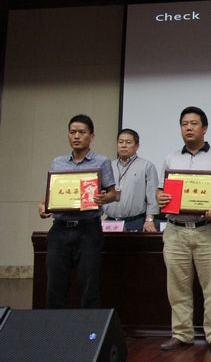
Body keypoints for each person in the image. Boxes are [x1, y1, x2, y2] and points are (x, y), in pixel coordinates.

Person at [157, 106, 211, 352]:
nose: (188, 128)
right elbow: (161, 190)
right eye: (184, 124)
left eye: (193, 123)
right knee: (177, 287)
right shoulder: (171, 159)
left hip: (207, 229)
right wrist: (160, 197)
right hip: (175, 231)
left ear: (205, 128)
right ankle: (182, 333)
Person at [38, 114, 117, 309]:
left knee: (89, 286)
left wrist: (103, 198)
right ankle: (54, 326)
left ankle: (90, 328)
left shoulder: (102, 162)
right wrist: (42, 205)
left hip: (88, 230)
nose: (76, 136)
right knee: (55, 286)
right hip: (59, 229)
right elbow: (50, 194)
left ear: (92, 136)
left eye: (82, 132)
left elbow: (112, 193)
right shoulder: (58, 162)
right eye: (72, 132)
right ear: (68, 136)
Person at [102, 128, 159, 232]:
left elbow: (152, 196)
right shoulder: (108, 166)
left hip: (135, 222)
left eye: (128, 142)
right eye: (120, 142)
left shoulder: (147, 166)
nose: (123, 145)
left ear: (137, 146)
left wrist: (149, 219)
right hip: (110, 221)